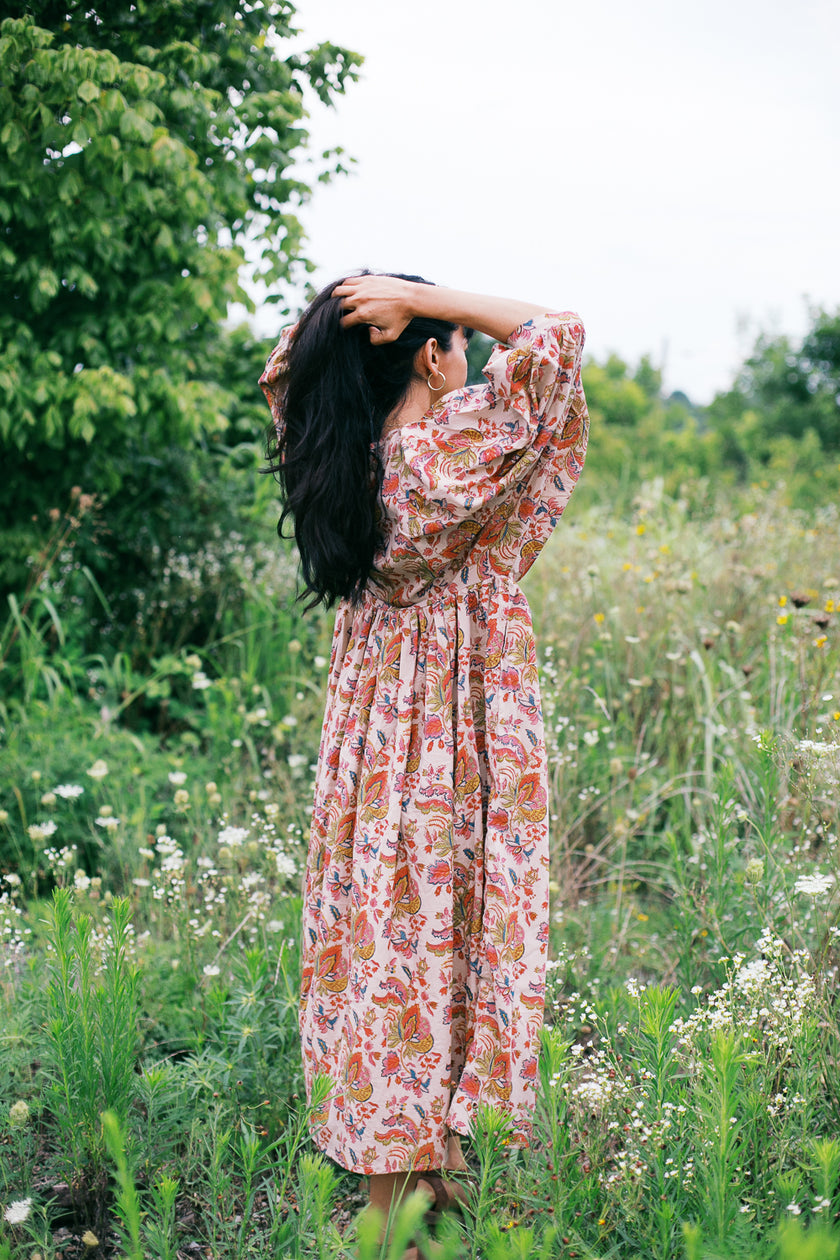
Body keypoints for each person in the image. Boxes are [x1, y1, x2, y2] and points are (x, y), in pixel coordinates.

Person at [260, 273, 589, 1252]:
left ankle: (409, 1198)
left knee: (387, 960)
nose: (473, 362)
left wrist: (363, 314)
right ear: (432, 356)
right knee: (448, 954)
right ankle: (407, 1217)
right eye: (455, 347)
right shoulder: (454, 455)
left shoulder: (335, 462)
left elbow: (288, 370)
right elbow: (558, 334)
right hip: (462, 757)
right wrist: (425, 293)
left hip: (370, 766)